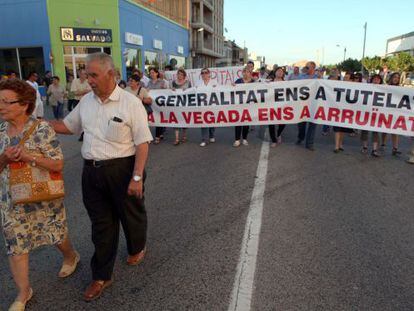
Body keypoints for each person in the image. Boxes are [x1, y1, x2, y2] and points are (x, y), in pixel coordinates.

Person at [50, 52, 152, 302]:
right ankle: (102, 275)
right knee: (101, 225)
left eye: (93, 75)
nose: (88, 80)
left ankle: (137, 246)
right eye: (87, 74)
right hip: (91, 173)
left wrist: (136, 177)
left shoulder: (130, 103)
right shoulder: (86, 102)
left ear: (111, 74)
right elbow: (69, 126)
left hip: (123, 169)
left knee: (131, 215)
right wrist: (39, 123)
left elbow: (142, 143)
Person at [0, 79, 79, 311]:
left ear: (24, 105)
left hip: (43, 194)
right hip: (10, 200)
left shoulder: (42, 128)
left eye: (6, 102)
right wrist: (5, 158)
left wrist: (27, 157)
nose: (1, 106)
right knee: (16, 245)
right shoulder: (0, 131)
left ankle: (70, 256)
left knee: (54, 233)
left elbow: (58, 164)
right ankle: (23, 292)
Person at [333, 73, 360, 153]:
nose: (345, 79)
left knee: (342, 130)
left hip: (347, 112)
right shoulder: (339, 85)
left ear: (351, 79)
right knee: (337, 129)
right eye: (344, 77)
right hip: (338, 110)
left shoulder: (355, 88)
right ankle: (336, 146)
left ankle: (340, 144)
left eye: (347, 77)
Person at [295, 61, 318, 150]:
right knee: (301, 124)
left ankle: (309, 143)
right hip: (303, 104)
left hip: (314, 104)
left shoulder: (318, 78)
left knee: (313, 124)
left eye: (308, 67)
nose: (306, 68)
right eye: (306, 67)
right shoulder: (301, 76)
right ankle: (301, 137)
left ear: (313, 68)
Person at [360, 74, 382, 157]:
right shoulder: (366, 88)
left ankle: (374, 149)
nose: (376, 81)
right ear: (372, 80)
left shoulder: (384, 89)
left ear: (380, 81)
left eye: (378, 79)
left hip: (377, 113)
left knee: (375, 132)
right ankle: (365, 147)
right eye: (374, 79)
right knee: (364, 131)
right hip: (366, 112)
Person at [381, 72, 402, 156]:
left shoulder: (402, 89)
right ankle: (383, 143)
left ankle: (395, 148)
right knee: (385, 130)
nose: (396, 79)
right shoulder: (386, 87)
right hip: (386, 111)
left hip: (396, 112)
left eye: (398, 77)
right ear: (391, 78)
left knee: (395, 130)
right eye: (395, 77)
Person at [233, 67, 254, 147]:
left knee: (246, 123)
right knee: (238, 122)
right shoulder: (238, 81)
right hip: (239, 105)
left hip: (249, 106)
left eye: (247, 71)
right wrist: (232, 85)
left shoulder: (253, 82)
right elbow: (231, 90)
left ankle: (244, 139)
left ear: (250, 73)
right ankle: (237, 140)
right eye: (244, 71)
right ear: (242, 73)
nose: (245, 73)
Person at [196, 67, 217, 147]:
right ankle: (204, 139)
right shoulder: (198, 83)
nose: (204, 74)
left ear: (209, 74)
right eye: (202, 73)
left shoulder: (214, 82)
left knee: (212, 122)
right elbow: (192, 91)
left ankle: (211, 135)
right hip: (202, 106)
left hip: (212, 105)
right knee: (204, 122)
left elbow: (221, 90)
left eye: (206, 72)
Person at [146, 67, 168, 144]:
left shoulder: (162, 82)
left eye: (153, 72)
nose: (151, 74)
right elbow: (146, 90)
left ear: (156, 73)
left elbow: (166, 92)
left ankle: (157, 137)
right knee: (154, 118)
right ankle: (160, 133)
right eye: (150, 73)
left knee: (158, 118)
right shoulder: (149, 82)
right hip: (151, 104)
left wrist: (164, 89)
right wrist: (147, 90)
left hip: (160, 104)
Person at [172, 68, 192, 145]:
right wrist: (172, 89)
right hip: (176, 105)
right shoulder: (174, 82)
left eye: (181, 74)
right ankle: (176, 138)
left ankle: (184, 135)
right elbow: (170, 92)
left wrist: (186, 90)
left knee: (184, 120)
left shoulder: (188, 83)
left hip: (184, 104)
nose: (179, 76)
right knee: (175, 121)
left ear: (184, 76)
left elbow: (191, 92)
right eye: (178, 74)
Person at [70, 69, 91, 141]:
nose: (85, 75)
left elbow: (89, 92)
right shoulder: (75, 81)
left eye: (86, 74)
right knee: (79, 119)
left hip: (86, 102)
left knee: (86, 119)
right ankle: (82, 133)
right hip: (77, 101)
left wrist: (80, 92)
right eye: (83, 74)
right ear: (79, 74)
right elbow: (75, 93)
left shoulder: (88, 81)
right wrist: (85, 91)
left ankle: (84, 134)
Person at [268, 67, 286, 147]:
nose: (280, 72)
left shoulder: (287, 83)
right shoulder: (269, 82)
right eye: (278, 71)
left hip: (283, 106)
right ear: (275, 72)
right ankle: (273, 140)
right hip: (271, 106)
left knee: (283, 123)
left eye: (281, 71)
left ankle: (278, 134)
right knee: (271, 124)